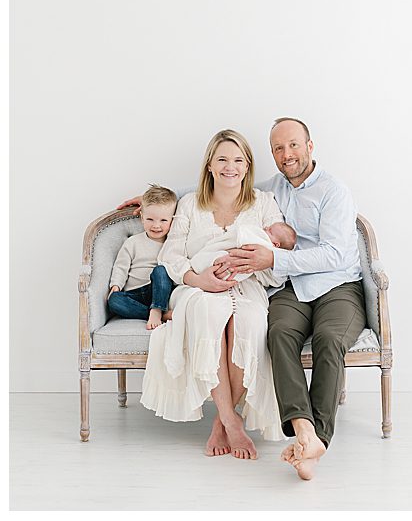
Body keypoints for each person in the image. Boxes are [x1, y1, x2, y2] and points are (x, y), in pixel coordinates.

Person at [223, 118, 364, 481]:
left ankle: (318, 440)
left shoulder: (334, 191)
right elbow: (226, 184)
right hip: (293, 288)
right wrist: (162, 197)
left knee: (329, 339)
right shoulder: (273, 189)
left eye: (293, 145)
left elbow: (335, 254)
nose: (287, 154)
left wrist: (275, 259)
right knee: (279, 333)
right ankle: (304, 430)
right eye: (278, 148)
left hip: (338, 286)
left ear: (310, 146)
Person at [139, 130, 287, 461]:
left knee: (250, 321)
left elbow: (276, 253)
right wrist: (199, 279)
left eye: (237, 160)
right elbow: (171, 255)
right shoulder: (190, 204)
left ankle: (223, 421)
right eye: (222, 159)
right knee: (209, 313)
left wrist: (249, 264)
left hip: (246, 285)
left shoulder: (263, 203)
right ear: (209, 165)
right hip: (196, 285)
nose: (229, 167)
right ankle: (233, 424)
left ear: (247, 166)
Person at [107, 185, 179, 330]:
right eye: (150, 219)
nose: (156, 225)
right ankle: (159, 314)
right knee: (114, 301)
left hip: (160, 292)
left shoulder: (173, 244)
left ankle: (157, 308)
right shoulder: (133, 242)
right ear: (142, 217)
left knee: (161, 270)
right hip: (135, 294)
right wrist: (116, 285)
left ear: (173, 220)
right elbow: (121, 266)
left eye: (163, 220)